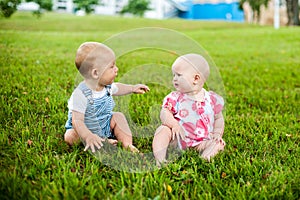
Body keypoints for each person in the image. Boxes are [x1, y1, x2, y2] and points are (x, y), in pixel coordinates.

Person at [64, 42, 150, 153]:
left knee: (118, 117)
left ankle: (127, 144)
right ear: (95, 73)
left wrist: (132, 88)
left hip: (104, 123)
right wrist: (87, 136)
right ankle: (101, 141)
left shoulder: (107, 87)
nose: (116, 69)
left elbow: (118, 88)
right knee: (70, 136)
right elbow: (77, 121)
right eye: (111, 66)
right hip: (84, 128)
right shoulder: (80, 95)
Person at [152, 53, 225, 165]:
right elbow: (165, 112)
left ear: (196, 78)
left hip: (202, 141)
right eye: (173, 75)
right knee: (162, 130)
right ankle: (160, 159)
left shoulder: (211, 98)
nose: (174, 79)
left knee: (218, 143)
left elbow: (219, 118)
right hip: (177, 139)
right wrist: (174, 125)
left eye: (179, 75)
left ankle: (206, 157)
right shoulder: (175, 97)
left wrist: (217, 133)